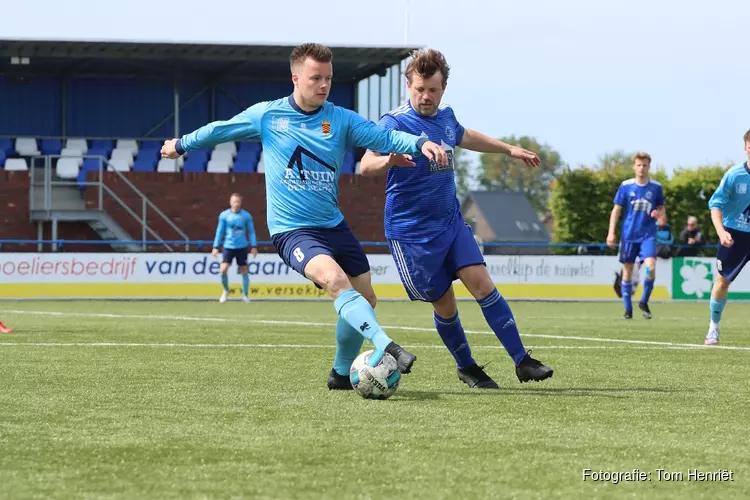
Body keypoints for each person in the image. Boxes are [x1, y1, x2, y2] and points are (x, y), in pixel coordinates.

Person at [160, 43, 448, 388]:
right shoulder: (269, 115)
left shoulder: (340, 118)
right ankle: (386, 346)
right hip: (292, 230)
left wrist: (418, 143)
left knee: (365, 296)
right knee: (334, 281)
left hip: (333, 224)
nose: (324, 85)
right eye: (316, 78)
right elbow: (221, 129)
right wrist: (181, 144)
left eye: (328, 78)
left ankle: (341, 374)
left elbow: (384, 136)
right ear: (296, 78)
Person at [359, 48, 553, 389]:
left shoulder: (446, 117)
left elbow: (465, 135)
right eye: (420, 88)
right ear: (408, 86)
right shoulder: (394, 122)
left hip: (450, 223)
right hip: (412, 234)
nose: (426, 96)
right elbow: (365, 165)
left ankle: (522, 360)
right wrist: (389, 160)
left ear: (443, 88)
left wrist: (508, 149)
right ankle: (467, 366)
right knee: (445, 302)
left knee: (482, 284)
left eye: (433, 90)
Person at [704, 129, 750, 345]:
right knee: (723, 281)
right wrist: (722, 231)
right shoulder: (734, 175)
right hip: (735, 235)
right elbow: (716, 205)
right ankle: (713, 328)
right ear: (745, 148)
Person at [606, 152, 665, 320]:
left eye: (644, 165)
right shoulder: (626, 186)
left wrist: (658, 214)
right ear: (634, 166)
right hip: (629, 235)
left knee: (651, 268)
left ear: (649, 167)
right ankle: (627, 309)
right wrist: (611, 232)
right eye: (639, 165)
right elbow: (616, 210)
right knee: (628, 270)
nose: (641, 168)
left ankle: (644, 301)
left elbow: (662, 212)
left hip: (648, 235)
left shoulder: (655, 188)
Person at [212, 193, 257, 304]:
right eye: (234, 201)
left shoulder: (246, 216)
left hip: (242, 246)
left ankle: (245, 295)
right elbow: (220, 231)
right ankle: (226, 290)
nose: (236, 204)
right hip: (228, 246)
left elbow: (251, 232)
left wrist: (254, 246)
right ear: (230, 202)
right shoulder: (224, 215)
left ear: (240, 203)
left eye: (238, 201)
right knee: (223, 270)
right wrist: (215, 246)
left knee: (244, 270)